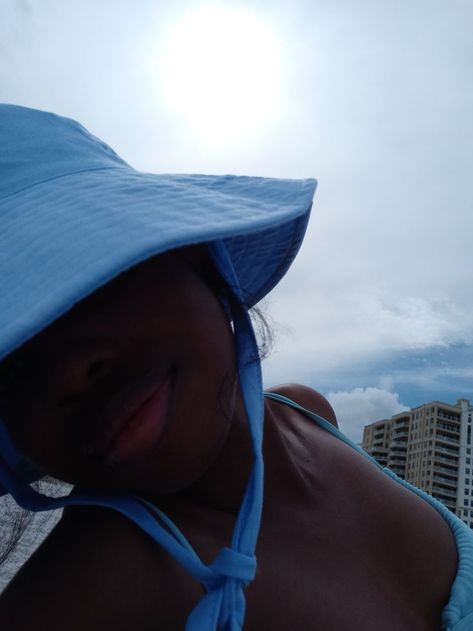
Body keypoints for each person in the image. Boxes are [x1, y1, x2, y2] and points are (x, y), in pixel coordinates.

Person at [0, 104, 467, 631]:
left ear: (196, 257)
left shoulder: (310, 413)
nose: (65, 374)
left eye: (85, 281)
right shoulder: (81, 596)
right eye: (7, 372)